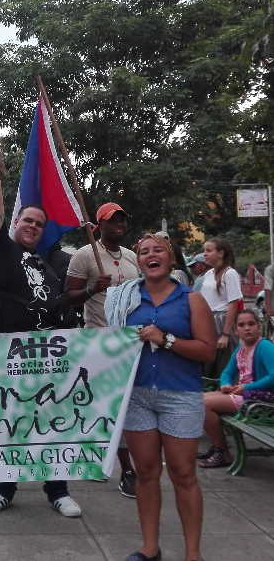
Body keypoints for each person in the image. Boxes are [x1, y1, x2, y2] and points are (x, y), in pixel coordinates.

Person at [0, 129, 94, 518]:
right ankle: (3, 489)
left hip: (48, 357)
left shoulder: (46, 263)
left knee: (52, 421)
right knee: (7, 422)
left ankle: (58, 490)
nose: (32, 226)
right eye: (27, 219)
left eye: (39, 223)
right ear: (15, 223)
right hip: (7, 357)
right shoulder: (0, 250)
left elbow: (58, 303)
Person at [105, 233, 216, 561]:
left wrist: (165, 339)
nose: (150, 255)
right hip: (137, 395)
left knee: (183, 474)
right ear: (138, 261)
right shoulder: (125, 299)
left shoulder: (191, 299)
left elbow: (207, 350)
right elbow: (111, 344)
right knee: (147, 472)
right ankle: (150, 548)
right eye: (144, 252)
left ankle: (192, 554)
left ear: (171, 259)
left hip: (180, 395)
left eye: (159, 251)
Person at [65, 202, 138, 498]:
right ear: (100, 225)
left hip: (131, 342)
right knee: (109, 406)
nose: (118, 225)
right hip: (99, 341)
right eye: (112, 220)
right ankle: (128, 470)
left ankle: (102, 457)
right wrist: (93, 290)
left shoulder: (133, 257)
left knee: (124, 408)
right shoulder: (85, 255)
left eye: (122, 219)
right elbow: (69, 297)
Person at [198, 309, 274, 468]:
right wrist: (225, 384)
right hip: (245, 394)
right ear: (235, 330)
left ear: (258, 327)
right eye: (242, 325)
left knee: (202, 403)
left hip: (260, 399)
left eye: (251, 324)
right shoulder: (240, 350)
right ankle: (218, 447)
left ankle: (221, 451)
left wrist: (247, 387)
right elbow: (227, 372)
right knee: (197, 399)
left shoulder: (265, 346)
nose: (247, 328)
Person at [200, 238, 241, 375]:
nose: (204, 254)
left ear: (221, 253)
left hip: (222, 321)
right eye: (204, 250)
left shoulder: (230, 274)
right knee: (207, 364)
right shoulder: (208, 274)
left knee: (223, 365)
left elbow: (233, 303)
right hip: (207, 321)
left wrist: (225, 334)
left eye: (209, 250)